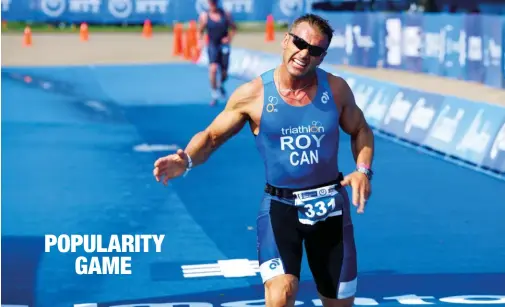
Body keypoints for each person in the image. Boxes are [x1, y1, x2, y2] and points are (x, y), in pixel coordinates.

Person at [153, 13, 375, 307]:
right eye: (299, 43)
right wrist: (186, 160)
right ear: (286, 40)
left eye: (315, 50)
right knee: (281, 294)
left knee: (338, 303)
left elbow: (360, 130)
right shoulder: (253, 95)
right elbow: (211, 137)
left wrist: (362, 171)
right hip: (280, 209)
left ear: (322, 57)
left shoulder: (335, 89)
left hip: (330, 208)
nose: (304, 54)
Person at [197, 0, 237, 106]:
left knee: (224, 73)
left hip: (224, 46)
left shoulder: (226, 14)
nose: (212, 4)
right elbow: (200, 31)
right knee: (213, 69)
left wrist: (229, 38)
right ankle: (214, 93)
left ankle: (221, 85)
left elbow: (234, 28)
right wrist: (200, 42)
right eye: (211, 2)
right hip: (212, 45)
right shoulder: (205, 16)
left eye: (214, 2)